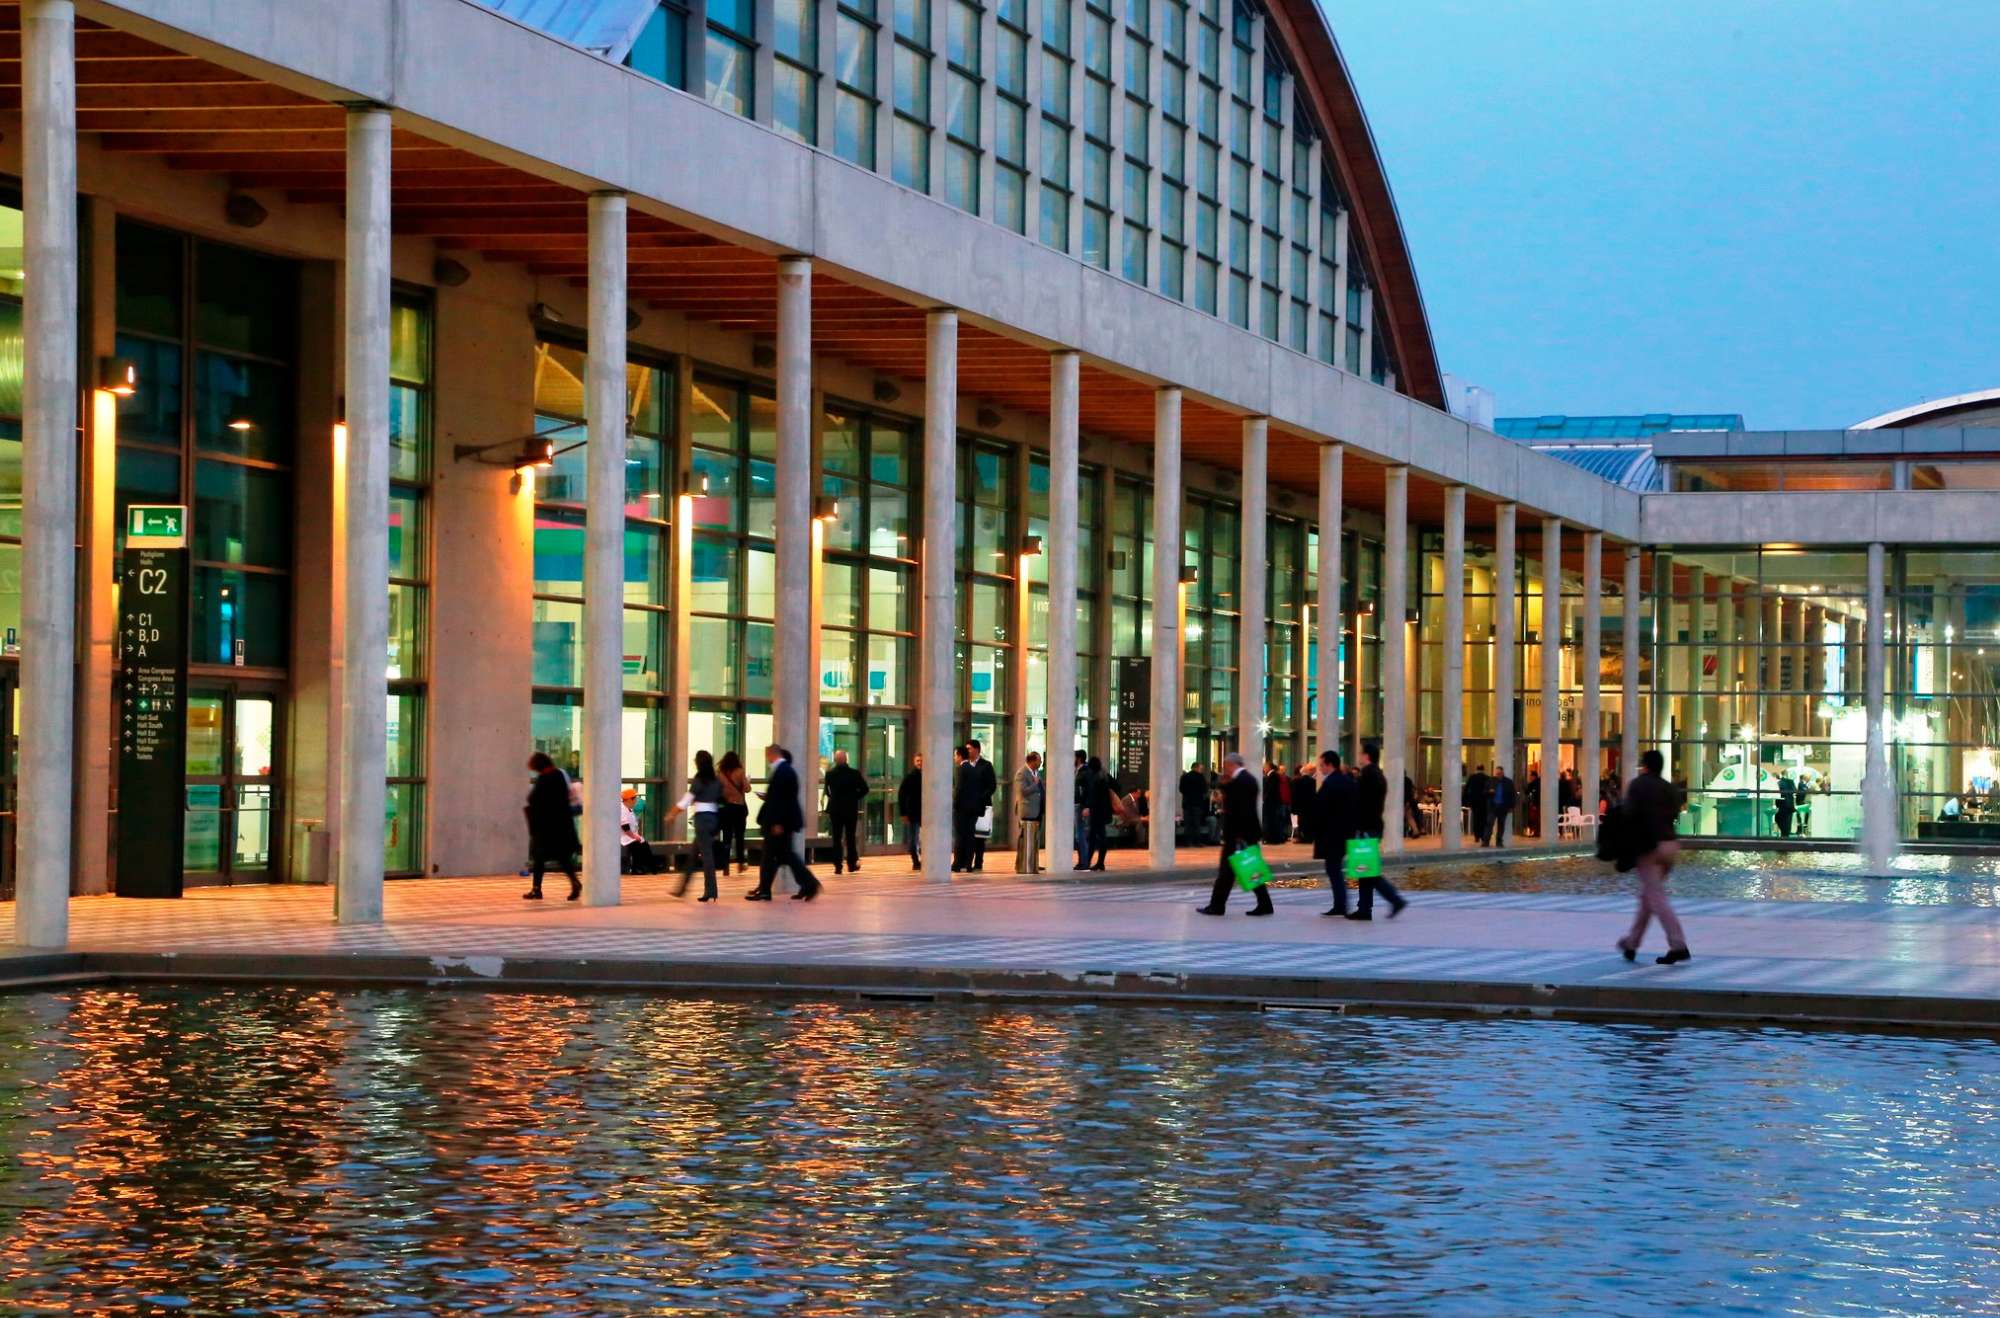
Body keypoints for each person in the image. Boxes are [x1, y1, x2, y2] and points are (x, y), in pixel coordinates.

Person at [1617, 749, 1690, 964]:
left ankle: (1678, 944)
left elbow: (1628, 814)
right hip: (1670, 845)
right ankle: (1631, 943)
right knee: (1648, 897)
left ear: (1645, 765)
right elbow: (1676, 811)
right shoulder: (1668, 787)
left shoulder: (1639, 785)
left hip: (1649, 847)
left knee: (1656, 897)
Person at [1197, 752, 1274, 917]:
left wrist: (1239, 834)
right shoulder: (1246, 779)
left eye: (1226, 766)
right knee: (1242, 869)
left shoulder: (1243, 781)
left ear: (1232, 765)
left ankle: (1217, 906)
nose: (1225, 770)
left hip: (1240, 833)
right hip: (1243, 832)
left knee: (1232, 871)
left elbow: (1242, 809)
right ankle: (1263, 903)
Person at [750, 744, 821, 901]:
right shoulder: (784, 770)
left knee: (781, 856)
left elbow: (782, 800)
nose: (767, 759)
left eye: (767, 755)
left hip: (780, 822)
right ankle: (766, 890)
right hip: (782, 821)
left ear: (771, 754)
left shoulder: (783, 771)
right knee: (778, 856)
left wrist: (777, 822)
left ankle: (809, 884)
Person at [1347, 744, 1407, 920]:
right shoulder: (1378, 774)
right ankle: (1365, 908)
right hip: (1373, 825)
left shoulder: (1367, 775)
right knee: (1365, 870)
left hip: (1366, 826)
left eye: (1360, 753)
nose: (1358, 755)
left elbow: (1361, 802)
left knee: (1368, 870)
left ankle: (1394, 900)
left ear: (1366, 756)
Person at [664, 750, 724, 901]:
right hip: (714, 819)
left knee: (707, 856)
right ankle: (681, 889)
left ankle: (711, 891)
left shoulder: (699, 780)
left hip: (702, 820)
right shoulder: (716, 780)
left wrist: (672, 814)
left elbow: (686, 801)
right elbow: (720, 799)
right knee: (693, 856)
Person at [522, 751, 581, 902]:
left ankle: (537, 889)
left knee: (539, 857)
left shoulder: (544, 778)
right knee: (562, 857)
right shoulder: (559, 775)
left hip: (546, 826)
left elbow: (532, 798)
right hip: (562, 824)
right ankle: (574, 882)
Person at [1314, 749, 1356, 916]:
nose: (1320, 768)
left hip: (1332, 833)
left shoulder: (1331, 783)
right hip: (1345, 832)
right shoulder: (1348, 781)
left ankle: (1340, 904)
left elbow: (1321, 808)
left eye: (1322, 765)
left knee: (1333, 869)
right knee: (1335, 868)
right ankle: (1341, 903)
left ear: (1330, 765)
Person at [821, 748, 870, 874]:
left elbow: (827, 791)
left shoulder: (830, 774)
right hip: (850, 809)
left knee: (836, 838)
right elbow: (864, 789)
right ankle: (851, 863)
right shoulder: (854, 773)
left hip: (835, 809)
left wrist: (834, 799)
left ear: (836, 760)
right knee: (850, 837)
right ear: (846, 759)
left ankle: (838, 865)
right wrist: (855, 797)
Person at [953, 740, 998, 872]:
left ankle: (977, 862)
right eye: (966, 748)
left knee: (979, 836)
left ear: (977, 749)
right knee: (969, 835)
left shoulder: (986, 765)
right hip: (969, 806)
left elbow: (992, 786)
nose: (968, 751)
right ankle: (964, 862)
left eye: (970, 748)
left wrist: (980, 798)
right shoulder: (966, 766)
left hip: (980, 805)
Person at [1079, 756, 1118, 870]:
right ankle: (1098, 862)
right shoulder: (1104, 775)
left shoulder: (1093, 777)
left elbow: (1092, 795)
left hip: (1096, 811)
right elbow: (1117, 786)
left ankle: (1091, 862)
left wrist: (1087, 807)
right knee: (1100, 836)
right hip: (1105, 810)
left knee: (1094, 836)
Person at [716, 750, 751, 874]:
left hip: (726, 808)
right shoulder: (740, 772)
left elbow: (717, 791)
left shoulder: (719, 774)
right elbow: (747, 789)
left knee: (726, 836)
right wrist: (747, 781)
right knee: (740, 836)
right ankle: (741, 864)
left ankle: (725, 866)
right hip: (739, 808)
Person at [619, 787, 664, 875]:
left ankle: (648, 867)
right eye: (635, 799)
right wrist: (634, 836)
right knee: (638, 845)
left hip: (629, 836)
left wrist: (635, 836)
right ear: (629, 800)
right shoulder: (622, 809)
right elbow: (625, 826)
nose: (636, 801)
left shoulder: (627, 808)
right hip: (625, 837)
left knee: (644, 845)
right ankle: (645, 868)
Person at [1014, 751, 1044, 873]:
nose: (1040, 762)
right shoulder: (1022, 773)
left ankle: (1033, 862)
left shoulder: (1036, 772)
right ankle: (1022, 862)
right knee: (1024, 837)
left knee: (1035, 838)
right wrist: (1035, 784)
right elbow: (1022, 791)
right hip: (1027, 810)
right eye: (1039, 760)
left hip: (1037, 810)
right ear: (1032, 761)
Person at [898, 753, 924, 871]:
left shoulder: (929, 776)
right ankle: (915, 860)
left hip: (926, 812)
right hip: (913, 811)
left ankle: (924, 859)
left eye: (921, 761)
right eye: (918, 761)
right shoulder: (910, 777)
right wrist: (903, 813)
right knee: (913, 838)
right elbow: (902, 795)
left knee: (924, 838)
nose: (920, 763)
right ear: (914, 762)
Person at [1179, 762, 1211, 846]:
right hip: (1197, 803)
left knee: (1187, 823)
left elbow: (1181, 789)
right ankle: (1197, 841)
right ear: (1196, 768)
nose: (1202, 770)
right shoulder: (1200, 777)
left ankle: (1187, 842)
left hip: (1187, 803)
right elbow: (1204, 790)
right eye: (1201, 768)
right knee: (1196, 823)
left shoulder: (1184, 776)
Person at [1290, 761, 1317, 845]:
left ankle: (1302, 837)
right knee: (1309, 821)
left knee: (1301, 821)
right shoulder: (1313, 781)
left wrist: (1293, 807)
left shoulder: (1296, 781)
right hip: (1310, 805)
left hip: (1300, 805)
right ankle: (1309, 837)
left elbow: (1294, 795)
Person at [1465, 763, 1491, 847]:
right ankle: (1483, 835)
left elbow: (1466, 789)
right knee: (1483, 818)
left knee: (1476, 818)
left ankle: (1476, 836)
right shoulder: (1487, 778)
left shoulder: (1472, 777)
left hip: (1474, 801)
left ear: (1477, 769)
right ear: (1483, 770)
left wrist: (1466, 800)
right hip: (1484, 802)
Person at [1490, 765, 1516, 847]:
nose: (1498, 775)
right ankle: (1486, 840)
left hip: (1503, 806)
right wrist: (1489, 791)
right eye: (1497, 774)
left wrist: (1511, 806)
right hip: (1493, 806)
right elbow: (1485, 791)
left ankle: (1499, 841)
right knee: (1490, 823)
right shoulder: (1492, 781)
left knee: (1501, 825)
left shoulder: (1508, 782)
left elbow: (1513, 794)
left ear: (1502, 773)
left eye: (1499, 773)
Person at [1072, 749, 1090, 866]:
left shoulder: (1084, 772)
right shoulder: (1078, 771)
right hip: (1077, 805)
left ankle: (1083, 862)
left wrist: (1086, 806)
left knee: (1080, 835)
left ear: (1078, 759)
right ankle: (1082, 861)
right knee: (1079, 835)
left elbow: (1087, 791)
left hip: (1080, 806)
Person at [1775, 768, 1798, 839]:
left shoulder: (1779, 782)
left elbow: (1777, 792)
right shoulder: (1790, 782)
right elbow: (1795, 791)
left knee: (1779, 818)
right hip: (1789, 804)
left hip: (1781, 803)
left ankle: (1784, 833)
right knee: (1787, 820)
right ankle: (1785, 834)